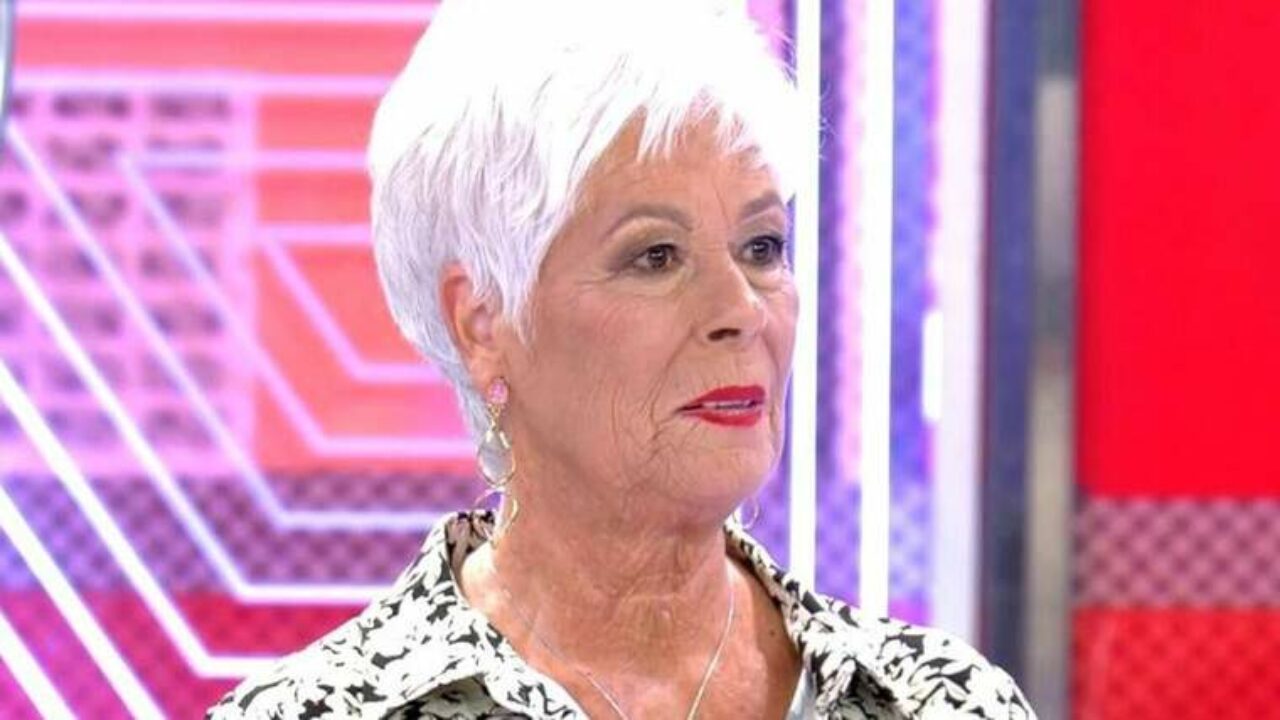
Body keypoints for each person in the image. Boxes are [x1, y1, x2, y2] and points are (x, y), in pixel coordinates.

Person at [208, 0, 1036, 717]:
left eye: (761, 246)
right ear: (482, 321)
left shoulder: (941, 702)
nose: (742, 311)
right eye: (655, 257)